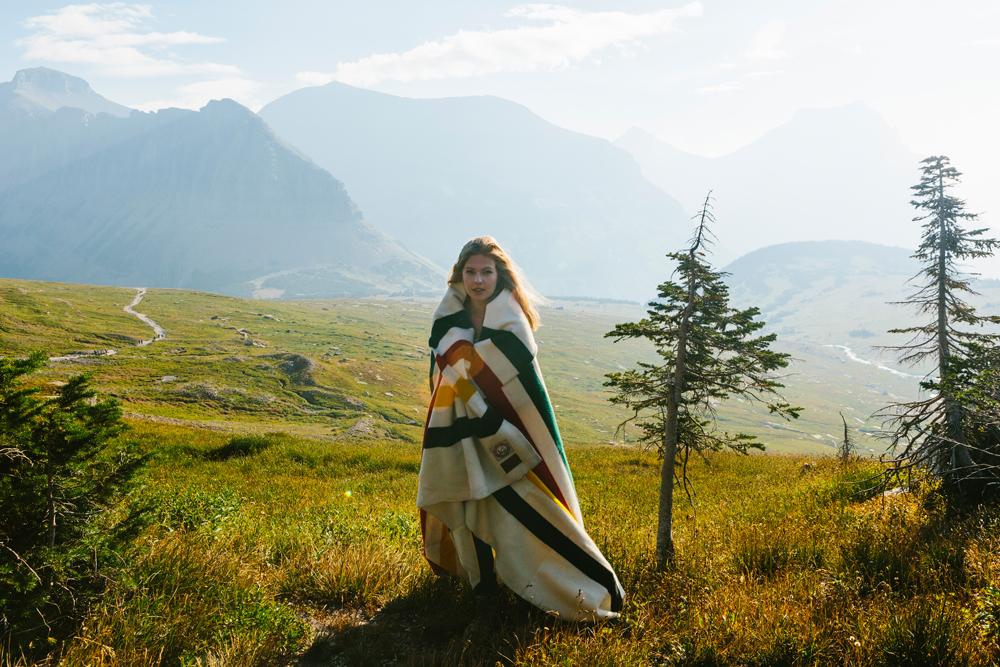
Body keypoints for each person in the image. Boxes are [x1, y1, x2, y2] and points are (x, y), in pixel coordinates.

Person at [417, 236, 624, 636]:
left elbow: (522, 395)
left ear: (500, 275)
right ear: (460, 275)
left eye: (486, 272)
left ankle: (562, 588)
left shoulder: (513, 326)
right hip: (462, 435)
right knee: (467, 505)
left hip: (511, 438)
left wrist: (475, 395)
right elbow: (440, 380)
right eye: (470, 272)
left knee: (523, 511)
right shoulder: (446, 323)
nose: (478, 280)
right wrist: (462, 400)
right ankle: (485, 600)